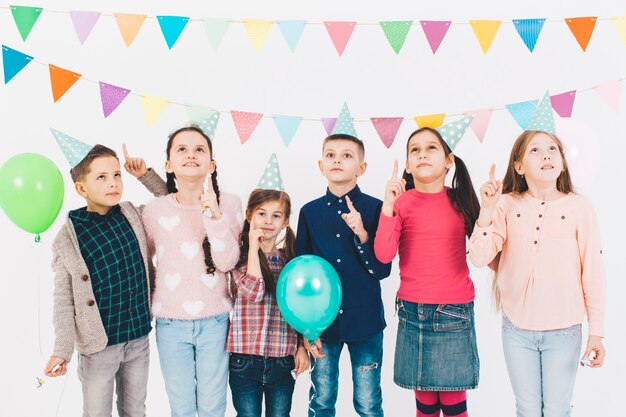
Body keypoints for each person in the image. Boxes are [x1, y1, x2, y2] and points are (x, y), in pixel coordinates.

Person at [469, 130, 606, 416]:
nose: (546, 154)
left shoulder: (580, 207)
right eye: (535, 150)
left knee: (556, 410)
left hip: (564, 331)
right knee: (527, 410)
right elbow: (480, 258)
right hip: (516, 330)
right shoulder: (505, 204)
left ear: (563, 163)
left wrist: (597, 333)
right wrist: (487, 210)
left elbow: (593, 272)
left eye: (552, 149)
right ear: (519, 166)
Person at [128, 126, 242, 417]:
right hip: (169, 324)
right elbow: (142, 258)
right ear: (168, 165)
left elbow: (228, 262)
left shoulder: (229, 203)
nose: (191, 154)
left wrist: (214, 216)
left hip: (215, 320)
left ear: (211, 164)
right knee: (181, 405)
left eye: (199, 149)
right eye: (182, 149)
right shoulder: (154, 211)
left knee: (213, 404)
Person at [44, 143, 165, 417]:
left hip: (137, 337)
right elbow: (63, 301)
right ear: (81, 189)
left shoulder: (132, 214)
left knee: (135, 409)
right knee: (97, 412)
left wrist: (145, 175)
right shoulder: (69, 237)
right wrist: (62, 350)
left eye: (116, 175)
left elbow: (170, 202)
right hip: (98, 347)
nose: (113, 183)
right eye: (101, 177)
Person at [374, 127, 481, 417]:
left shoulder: (461, 201)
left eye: (431, 147)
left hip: (454, 312)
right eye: (415, 149)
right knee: (425, 402)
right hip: (413, 312)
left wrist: (491, 207)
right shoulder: (401, 203)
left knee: (454, 403)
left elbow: (483, 253)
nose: (422, 153)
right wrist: (388, 205)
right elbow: (383, 254)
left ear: (448, 161)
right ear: (408, 165)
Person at [296, 133, 391, 417]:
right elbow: (302, 274)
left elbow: (382, 270)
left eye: (347, 155)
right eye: (331, 155)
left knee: (368, 402)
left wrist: (362, 233)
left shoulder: (376, 209)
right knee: (322, 400)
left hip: (366, 322)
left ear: (361, 168)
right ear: (320, 165)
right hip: (322, 326)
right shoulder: (309, 212)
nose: (337, 160)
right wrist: (306, 329)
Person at [228, 188, 310, 417]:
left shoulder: (291, 262)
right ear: (249, 216)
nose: (268, 221)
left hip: (282, 360)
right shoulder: (239, 259)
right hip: (244, 360)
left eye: (276, 216)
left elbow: (300, 310)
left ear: (285, 222)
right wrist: (254, 248)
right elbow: (253, 292)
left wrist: (302, 346)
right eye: (262, 214)